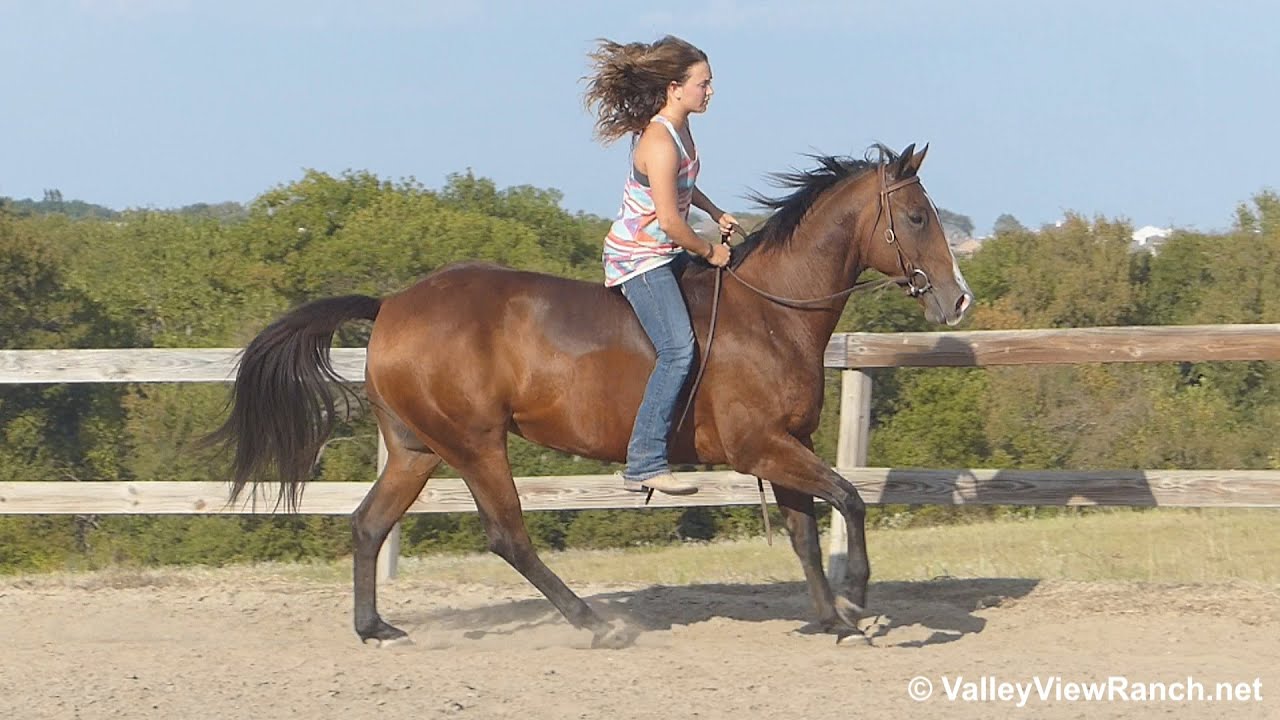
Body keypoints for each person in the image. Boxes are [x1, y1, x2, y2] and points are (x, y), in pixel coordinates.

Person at [583, 36, 737, 496]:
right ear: (675, 88)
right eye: (703, 84)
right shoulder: (659, 140)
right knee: (678, 350)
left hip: (665, 252)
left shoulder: (681, 131)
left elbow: (683, 189)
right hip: (639, 260)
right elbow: (669, 221)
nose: (709, 92)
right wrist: (710, 252)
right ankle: (645, 461)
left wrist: (713, 212)